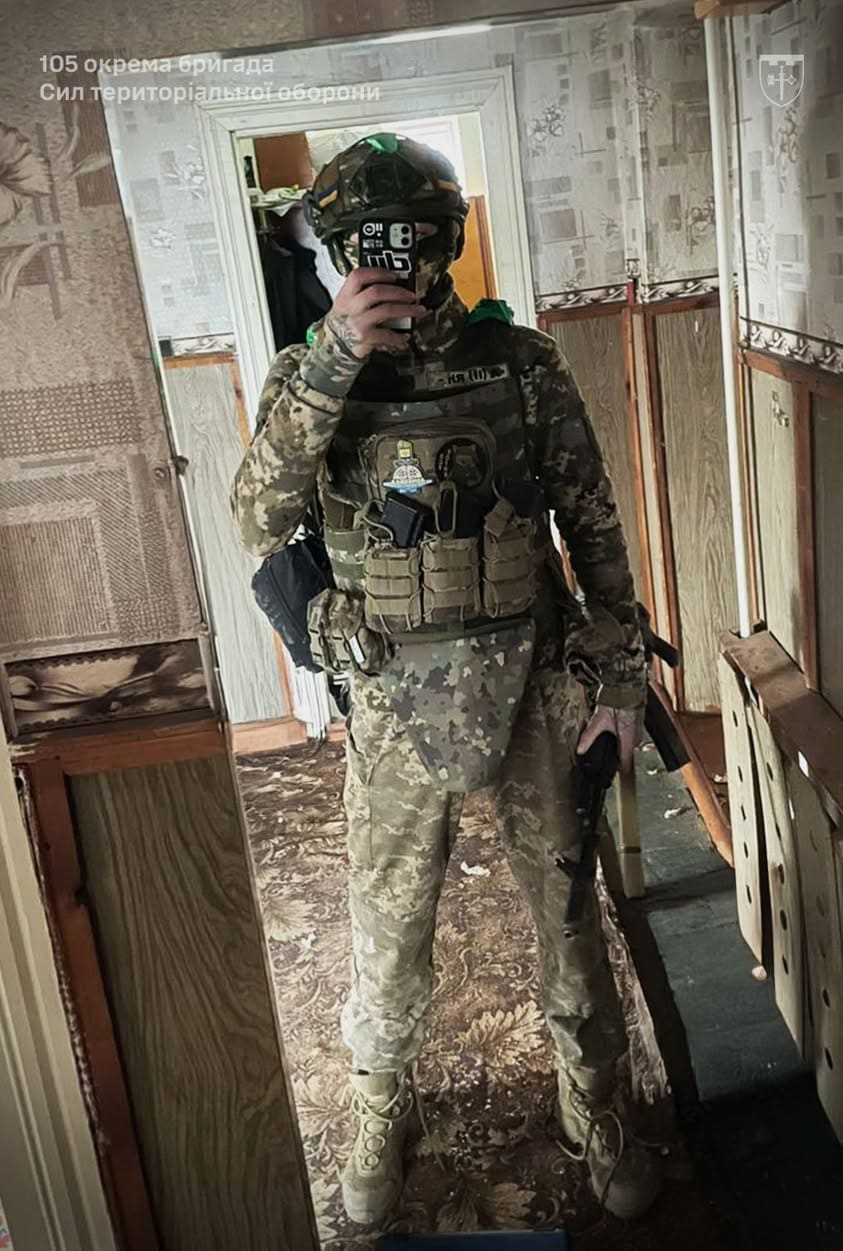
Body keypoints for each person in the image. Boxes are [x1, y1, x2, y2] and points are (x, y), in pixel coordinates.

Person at [231, 133, 661, 1227]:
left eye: (411, 239)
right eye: (367, 244)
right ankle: (383, 1109)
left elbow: (593, 524)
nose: (392, 262)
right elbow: (256, 519)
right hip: (389, 698)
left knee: (567, 911)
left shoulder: (519, 363)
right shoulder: (304, 374)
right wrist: (333, 361)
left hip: (532, 689)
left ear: (445, 241)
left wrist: (619, 674)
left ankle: (595, 1099)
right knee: (387, 925)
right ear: (337, 253)